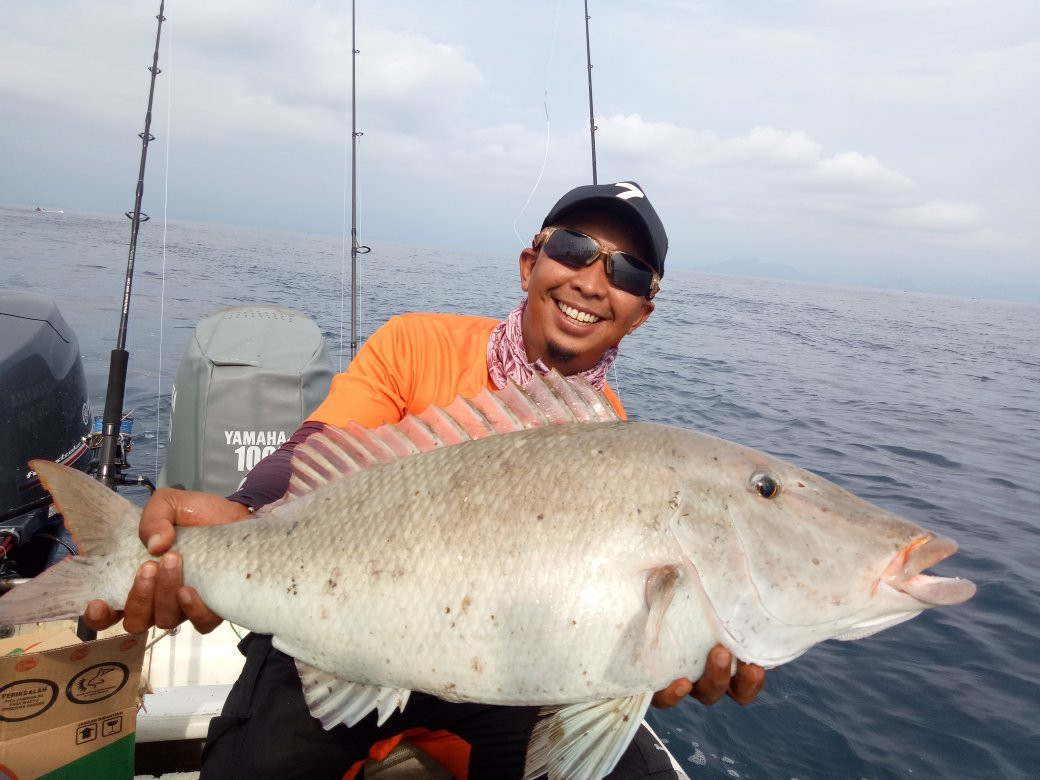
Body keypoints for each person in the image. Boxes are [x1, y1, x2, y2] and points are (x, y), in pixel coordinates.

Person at [84, 181, 765, 778]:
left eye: (626, 270)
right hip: (343, 627)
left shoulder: (618, 442)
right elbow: (319, 450)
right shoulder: (417, 342)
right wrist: (243, 512)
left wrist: (653, 656)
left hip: (499, 666)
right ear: (531, 264)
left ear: (642, 310)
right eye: (573, 249)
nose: (591, 279)